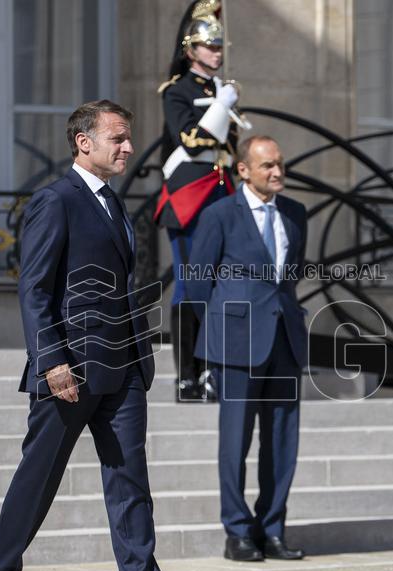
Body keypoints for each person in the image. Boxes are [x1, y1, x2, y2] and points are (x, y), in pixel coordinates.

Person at [0, 100, 210, 571]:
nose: (128, 147)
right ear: (84, 143)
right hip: (71, 369)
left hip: (123, 365)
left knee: (130, 481)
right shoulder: (55, 200)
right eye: (118, 138)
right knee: (39, 478)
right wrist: (51, 360)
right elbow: (34, 290)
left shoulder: (113, 201)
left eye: (127, 138)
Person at [185, 136, 308, 562]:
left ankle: (272, 529)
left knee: (282, 442)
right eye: (267, 165)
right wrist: (223, 328)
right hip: (236, 344)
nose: (277, 172)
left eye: (280, 164)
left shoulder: (295, 213)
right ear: (243, 170)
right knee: (235, 441)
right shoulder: (219, 214)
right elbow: (197, 282)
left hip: (285, 339)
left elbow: (290, 275)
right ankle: (237, 532)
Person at [155, 0, 240, 401]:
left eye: (220, 46)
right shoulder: (177, 91)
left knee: (220, 285)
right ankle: (187, 375)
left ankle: (212, 370)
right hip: (191, 194)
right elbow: (190, 139)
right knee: (191, 285)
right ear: (190, 49)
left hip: (222, 191)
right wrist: (222, 107)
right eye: (210, 46)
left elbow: (230, 147)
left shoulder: (220, 90)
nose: (217, 53)